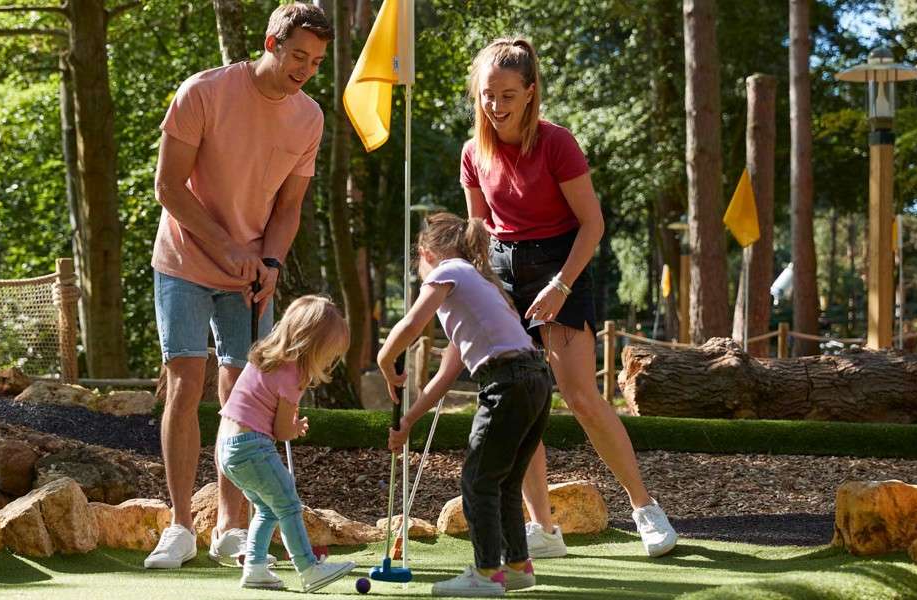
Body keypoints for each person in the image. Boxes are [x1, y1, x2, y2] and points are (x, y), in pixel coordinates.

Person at [459, 37, 678, 558]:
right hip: (504, 272)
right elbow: (479, 229)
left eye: (508, 94)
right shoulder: (473, 151)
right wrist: (483, 287)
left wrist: (560, 284)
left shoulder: (557, 143)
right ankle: (543, 528)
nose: (497, 105)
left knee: (579, 395)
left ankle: (646, 508)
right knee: (520, 399)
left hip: (563, 262)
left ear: (531, 93)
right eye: (488, 94)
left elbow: (593, 223)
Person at [144, 2, 332, 570]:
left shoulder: (309, 118)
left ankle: (229, 527)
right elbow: (168, 187)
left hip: (250, 273)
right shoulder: (202, 93)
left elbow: (289, 207)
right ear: (271, 42)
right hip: (183, 259)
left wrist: (271, 260)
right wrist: (224, 245)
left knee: (241, 392)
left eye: (317, 61)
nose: (305, 68)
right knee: (186, 379)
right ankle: (179, 526)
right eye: (298, 54)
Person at [380, 213, 551, 597]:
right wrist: (407, 421)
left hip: (508, 382)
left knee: (478, 481)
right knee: (503, 481)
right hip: (535, 380)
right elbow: (445, 377)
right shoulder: (477, 287)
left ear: (427, 253)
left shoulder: (450, 270)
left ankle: (487, 574)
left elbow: (409, 326)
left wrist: (383, 358)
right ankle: (517, 565)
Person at [215, 295, 357, 592]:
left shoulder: (266, 359)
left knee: (267, 509)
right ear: (313, 345)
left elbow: (265, 412)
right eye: (329, 353)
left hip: (228, 448)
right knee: (290, 505)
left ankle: (254, 568)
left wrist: (289, 425)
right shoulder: (292, 374)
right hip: (252, 446)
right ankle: (308, 568)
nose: (330, 361)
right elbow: (281, 432)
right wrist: (292, 429)